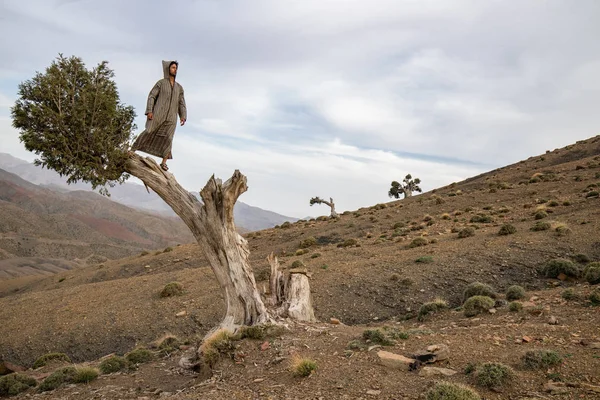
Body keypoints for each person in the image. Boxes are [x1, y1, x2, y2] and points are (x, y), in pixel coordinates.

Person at [131, 60, 187, 171]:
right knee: (148, 131)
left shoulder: (179, 88)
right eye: (173, 68)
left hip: (171, 117)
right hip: (158, 113)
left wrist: (183, 116)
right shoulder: (161, 83)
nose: (175, 70)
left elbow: (181, 102)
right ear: (168, 69)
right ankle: (132, 150)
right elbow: (152, 96)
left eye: (176, 68)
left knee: (169, 138)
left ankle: (164, 162)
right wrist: (149, 111)